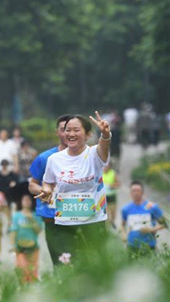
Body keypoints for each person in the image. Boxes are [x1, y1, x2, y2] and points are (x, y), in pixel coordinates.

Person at [36, 112, 111, 262]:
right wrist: (47, 190)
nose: (71, 134)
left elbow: (104, 147)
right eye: (68, 130)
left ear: (88, 134)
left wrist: (105, 135)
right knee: (68, 266)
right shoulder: (54, 159)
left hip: (93, 222)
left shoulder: (94, 154)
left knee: (94, 266)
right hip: (65, 224)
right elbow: (48, 182)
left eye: (76, 130)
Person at [28, 114, 71, 266]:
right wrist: (45, 190)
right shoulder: (45, 158)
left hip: (78, 215)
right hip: (52, 216)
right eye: (63, 129)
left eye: (71, 129)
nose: (68, 133)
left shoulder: (86, 157)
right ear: (57, 132)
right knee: (59, 261)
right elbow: (32, 185)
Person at [121, 181, 167, 256]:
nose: (135, 193)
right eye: (133, 191)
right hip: (132, 245)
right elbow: (123, 225)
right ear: (130, 193)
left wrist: (151, 230)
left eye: (137, 191)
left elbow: (164, 224)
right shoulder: (126, 209)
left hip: (149, 245)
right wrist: (123, 234)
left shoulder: (151, 206)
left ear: (142, 192)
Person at [9, 194, 44, 283]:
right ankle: (23, 287)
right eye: (24, 200)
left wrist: (32, 219)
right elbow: (13, 231)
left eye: (28, 200)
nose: (27, 202)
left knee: (32, 270)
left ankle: (32, 288)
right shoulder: (16, 216)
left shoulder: (36, 215)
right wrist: (12, 245)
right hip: (20, 247)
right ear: (21, 202)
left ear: (32, 202)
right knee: (22, 268)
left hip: (33, 247)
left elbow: (38, 231)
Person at [103, 163, 120, 228]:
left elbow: (118, 184)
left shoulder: (113, 173)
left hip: (112, 196)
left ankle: (112, 222)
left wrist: (112, 185)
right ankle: (107, 226)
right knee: (106, 213)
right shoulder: (99, 173)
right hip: (103, 197)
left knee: (113, 212)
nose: (105, 167)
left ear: (109, 166)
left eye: (106, 165)